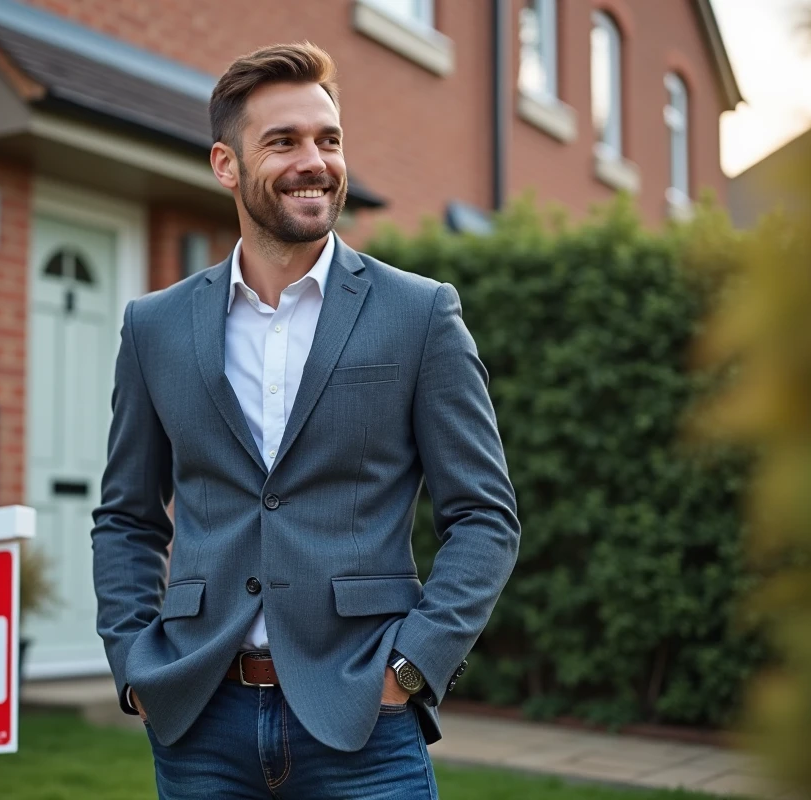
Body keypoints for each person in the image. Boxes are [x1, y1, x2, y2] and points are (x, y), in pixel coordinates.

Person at [91, 41, 520, 799]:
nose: (314, 161)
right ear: (226, 164)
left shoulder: (420, 314)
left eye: (328, 139)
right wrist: (134, 667)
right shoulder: (154, 327)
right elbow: (127, 517)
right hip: (199, 719)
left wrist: (412, 666)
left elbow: (484, 516)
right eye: (283, 142)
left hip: (363, 719)